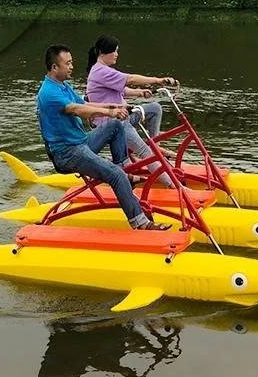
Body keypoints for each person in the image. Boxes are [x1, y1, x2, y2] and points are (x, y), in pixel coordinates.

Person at [36, 44, 170, 231]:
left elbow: (86, 104)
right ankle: (141, 223)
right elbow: (77, 109)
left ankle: (123, 169)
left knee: (115, 126)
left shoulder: (63, 86)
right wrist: (109, 112)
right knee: (115, 175)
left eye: (72, 62)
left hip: (81, 142)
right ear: (54, 67)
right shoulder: (49, 92)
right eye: (68, 64)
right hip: (67, 153)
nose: (72, 66)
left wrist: (115, 108)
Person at [85, 35, 177, 187]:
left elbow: (122, 89)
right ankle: (174, 186)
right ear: (102, 52)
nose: (117, 54)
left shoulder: (104, 70)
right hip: (113, 123)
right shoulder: (100, 71)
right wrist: (157, 80)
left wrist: (140, 93)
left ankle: (154, 145)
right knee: (146, 153)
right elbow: (131, 79)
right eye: (114, 51)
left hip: (124, 116)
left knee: (154, 108)